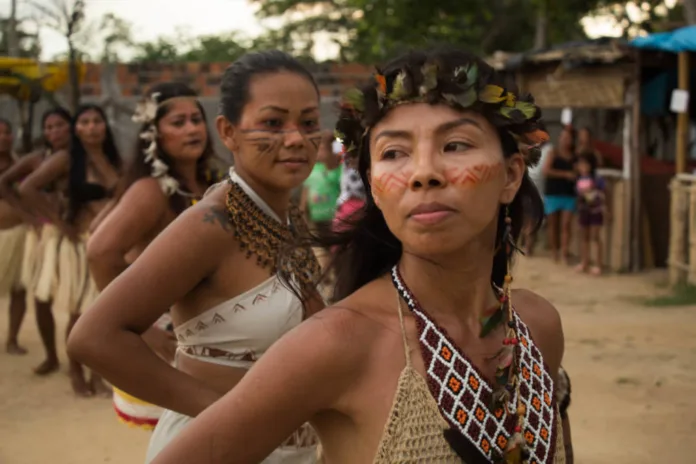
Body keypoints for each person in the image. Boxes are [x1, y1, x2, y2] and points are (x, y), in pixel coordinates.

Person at [150, 47, 566, 464]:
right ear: (373, 186)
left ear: (511, 175)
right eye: (393, 153)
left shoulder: (538, 326)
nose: (423, 172)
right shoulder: (337, 343)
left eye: (455, 144)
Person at [67, 50, 324, 463]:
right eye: (273, 123)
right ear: (228, 131)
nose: (295, 139)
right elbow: (92, 338)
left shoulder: (282, 211)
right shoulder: (211, 223)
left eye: (309, 123)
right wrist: (233, 416)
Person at [86, 82, 219, 430]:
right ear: (154, 134)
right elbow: (101, 251)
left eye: (196, 119)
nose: (192, 128)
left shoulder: (211, 181)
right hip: (167, 338)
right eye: (178, 122)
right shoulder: (151, 190)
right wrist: (140, 329)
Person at [19, 104, 122, 396]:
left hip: (110, 244)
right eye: (85, 122)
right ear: (76, 129)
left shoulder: (115, 160)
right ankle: (77, 372)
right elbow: (28, 188)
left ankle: (97, 374)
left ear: (105, 125)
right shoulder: (66, 158)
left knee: (104, 314)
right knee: (82, 315)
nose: (92, 127)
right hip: (81, 245)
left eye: (97, 121)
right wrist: (57, 223)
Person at [0, 107, 72, 374]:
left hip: (73, 235)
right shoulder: (35, 160)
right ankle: (51, 356)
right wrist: (30, 217)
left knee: (77, 302)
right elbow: (5, 184)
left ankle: (77, 363)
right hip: (45, 235)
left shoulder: (81, 159)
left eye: (59, 125)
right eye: (49, 127)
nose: (54, 132)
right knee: (42, 297)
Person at [0, 118, 28, 354]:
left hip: (19, 234)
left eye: (7, 132)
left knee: (19, 289)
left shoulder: (21, 164)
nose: (3, 137)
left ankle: (12, 339)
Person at [301, 131, 342, 271]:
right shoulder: (313, 170)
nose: (318, 152)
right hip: (318, 219)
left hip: (335, 219)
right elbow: (306, 191)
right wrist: (302, 210)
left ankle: (338, 274)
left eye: (322, 149)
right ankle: (329, 276)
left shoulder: (337, 170)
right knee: (323, 250)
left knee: (336, 250)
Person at [542, 126, 577, 263]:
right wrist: (565, 174)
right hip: (553, 193)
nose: (565, 140)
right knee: (553, 225)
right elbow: (546, 170)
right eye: (563, 137)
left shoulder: (574, 156)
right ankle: (554, 251)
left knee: (566, 225)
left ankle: (564, 252)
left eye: (568, 138)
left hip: (569, 193)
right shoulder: (553, 153)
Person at [574, 152, 607, 275]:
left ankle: (598, 264)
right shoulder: (578, 179)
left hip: (595, 211)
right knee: (584, 237)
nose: (582, 166)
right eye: (580, 163)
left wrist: (607, 208)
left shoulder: (597, 178)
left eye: (585, 163)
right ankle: (584, 262)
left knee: (595, 237)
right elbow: (578, 195)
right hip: (583, 210)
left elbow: (604, 192)